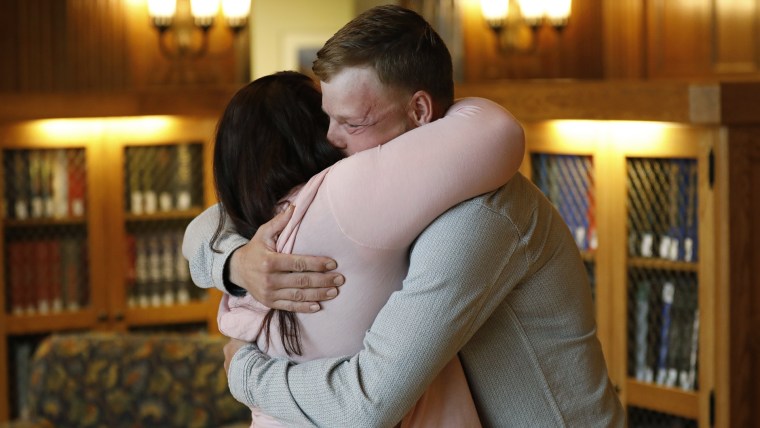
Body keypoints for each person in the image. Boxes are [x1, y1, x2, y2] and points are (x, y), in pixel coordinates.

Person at [184, 5, 625, 428]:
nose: (330, 144)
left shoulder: (478, 216)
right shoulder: (406, 190)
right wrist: (236, 263)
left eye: (352, 124)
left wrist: (245, 371)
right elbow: (221, 216)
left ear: (419, 112)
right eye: (326, 122)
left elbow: (366, 404)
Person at [198, 66, 523, 427]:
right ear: (309, 133)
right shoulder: (343, 197)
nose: (336, 136)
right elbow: (497, 130)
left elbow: (205, 224)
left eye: (347, 120)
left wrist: (233, 263)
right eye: (330, 119)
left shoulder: (253, 234)